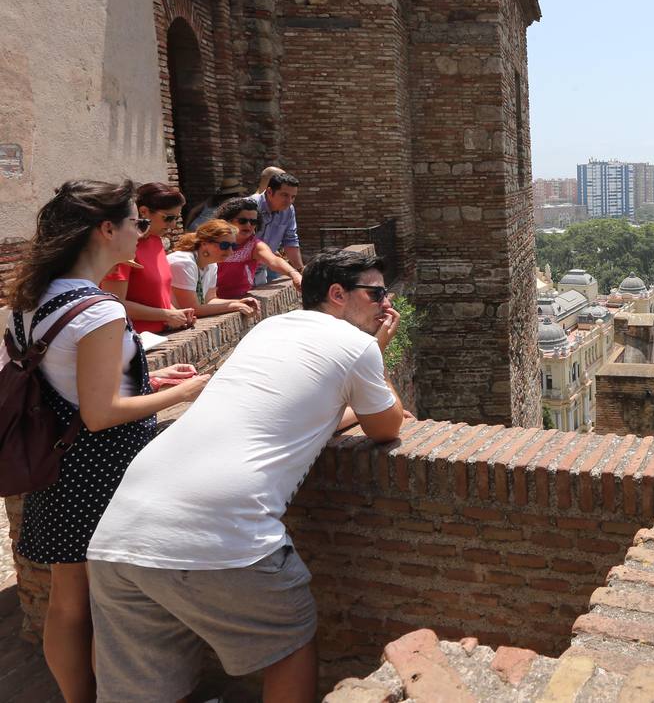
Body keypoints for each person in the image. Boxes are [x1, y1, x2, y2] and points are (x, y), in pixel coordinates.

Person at [87, 249, 409, 703]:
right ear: (338, 295)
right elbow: (388, 426)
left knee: (143, 692)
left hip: (120, 532)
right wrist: (375, 352)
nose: (386, 305)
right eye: (376, 293)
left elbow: (293, 417)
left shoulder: (269, 328)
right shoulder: (355, 345)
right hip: (220, 534)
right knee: (288, 646)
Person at [1, 179, 209, 703]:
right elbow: (101, 414)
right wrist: (188, 390)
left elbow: (65, 380)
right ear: (106, 230)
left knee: (69, 601)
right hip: (102, 467)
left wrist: (147, 380)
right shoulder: (101, 309)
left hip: (59, 462)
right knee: (116, 607)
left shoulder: (30, 300)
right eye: (136, 222)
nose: (143, 231)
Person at [100, 182, 196, 334]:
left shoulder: (156, 241)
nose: (172, 225)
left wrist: (176, 315)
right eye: (168, 218)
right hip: (134, 339)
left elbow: (159, 297)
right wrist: (166, 315)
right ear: (143, 212)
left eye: (176, 219)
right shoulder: (124, 247)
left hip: (160, 336)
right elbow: (114, 303)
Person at [167, 220, 263, 319]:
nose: (230, 252)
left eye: (233, 246)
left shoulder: (212, 264)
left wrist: (239, 302)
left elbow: (210, 300)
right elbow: (192, 308)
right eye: (224, 245)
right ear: (204, 244)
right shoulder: (183, 263)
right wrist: (234, 306)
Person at [209, 197, 301, 300]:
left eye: (253, 222)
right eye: (243, 221)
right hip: (209, 301)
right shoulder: (211, 241)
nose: (248, 225)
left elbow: (274, 260)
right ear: (228, 220)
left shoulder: (254, 245)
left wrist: (294, 274)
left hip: (240, 299)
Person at [250, 172, 303, 285]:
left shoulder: (289, 210)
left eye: (293, 197)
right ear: (269, 192)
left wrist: (300, 271)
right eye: (284, 195)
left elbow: (290, 240)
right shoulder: (250, 207)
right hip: (240, 270)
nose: (289, 201)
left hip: (261, 271)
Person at [185, 177, 250, 231]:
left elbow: (193, 211)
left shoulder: (212, 198)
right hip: (208, 229)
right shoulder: (233, 202)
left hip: (194, 226)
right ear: (237, 191)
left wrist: (186, 228)